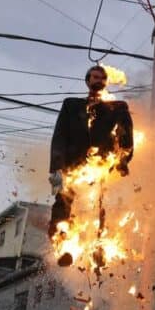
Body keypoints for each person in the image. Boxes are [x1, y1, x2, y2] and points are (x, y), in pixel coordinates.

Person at [47, 65, 135, 242]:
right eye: (95, 77)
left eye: (102, 78)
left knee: (102, 204)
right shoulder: (71, 105)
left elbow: (126, 137)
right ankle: (60, 239)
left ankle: (99, 246)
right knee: (63, 199)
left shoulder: (117, 108)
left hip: (102, 165)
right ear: (87, 80)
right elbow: (59, 136)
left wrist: (123, 161)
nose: (98, 80)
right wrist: (56, 167)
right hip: (73, 164)